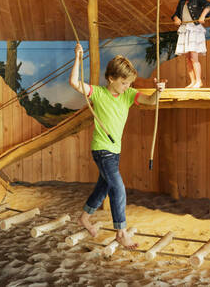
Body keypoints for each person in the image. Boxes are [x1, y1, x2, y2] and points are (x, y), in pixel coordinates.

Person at [69, 43, 166, 249]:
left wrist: (158, 92)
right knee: (118, 188)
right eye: (124, 83)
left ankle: (84, 218)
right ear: (111, 79)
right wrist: (78, 57)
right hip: (102, 150)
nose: (127, 87)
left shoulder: (129, 95)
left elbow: (150, 101)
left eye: (129, 83)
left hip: (115, 152)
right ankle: (121, 232)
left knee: (103, 187)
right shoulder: (97, 93)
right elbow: (74, 82)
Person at [172, 0, 210, 88]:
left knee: (194, 57)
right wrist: (176, 19)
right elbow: (175, 14)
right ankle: (193, 81)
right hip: (185, 30)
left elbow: (208, 6)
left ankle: (199, 80)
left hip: (194, 30)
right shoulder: (181, 2)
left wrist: (202, 16)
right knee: (188, 59)